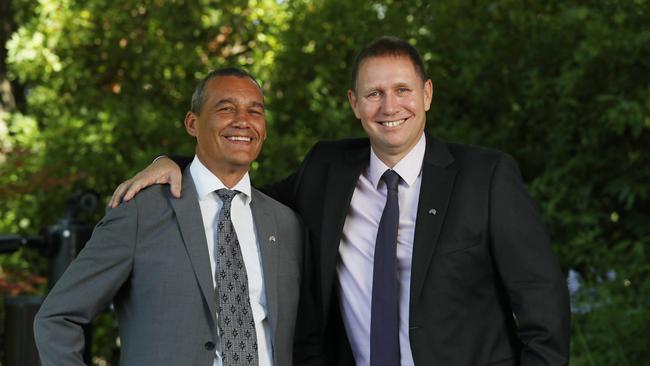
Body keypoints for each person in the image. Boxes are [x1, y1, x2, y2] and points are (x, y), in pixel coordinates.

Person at [110, 37, 570, 365]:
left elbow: (542, 305)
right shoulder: (326, 172)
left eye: (402, 90)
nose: (389, 107)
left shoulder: (485, 177)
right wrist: (172, 162)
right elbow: (238, 190)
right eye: (374, 94)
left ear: (426, 95)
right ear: (354, 103)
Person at [34, 68, 318, 366]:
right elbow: (57, 318)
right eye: (226, 108)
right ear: (192, 123)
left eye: (254, 111)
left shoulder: (287, 225)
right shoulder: (141, 212)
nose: (242, 121)